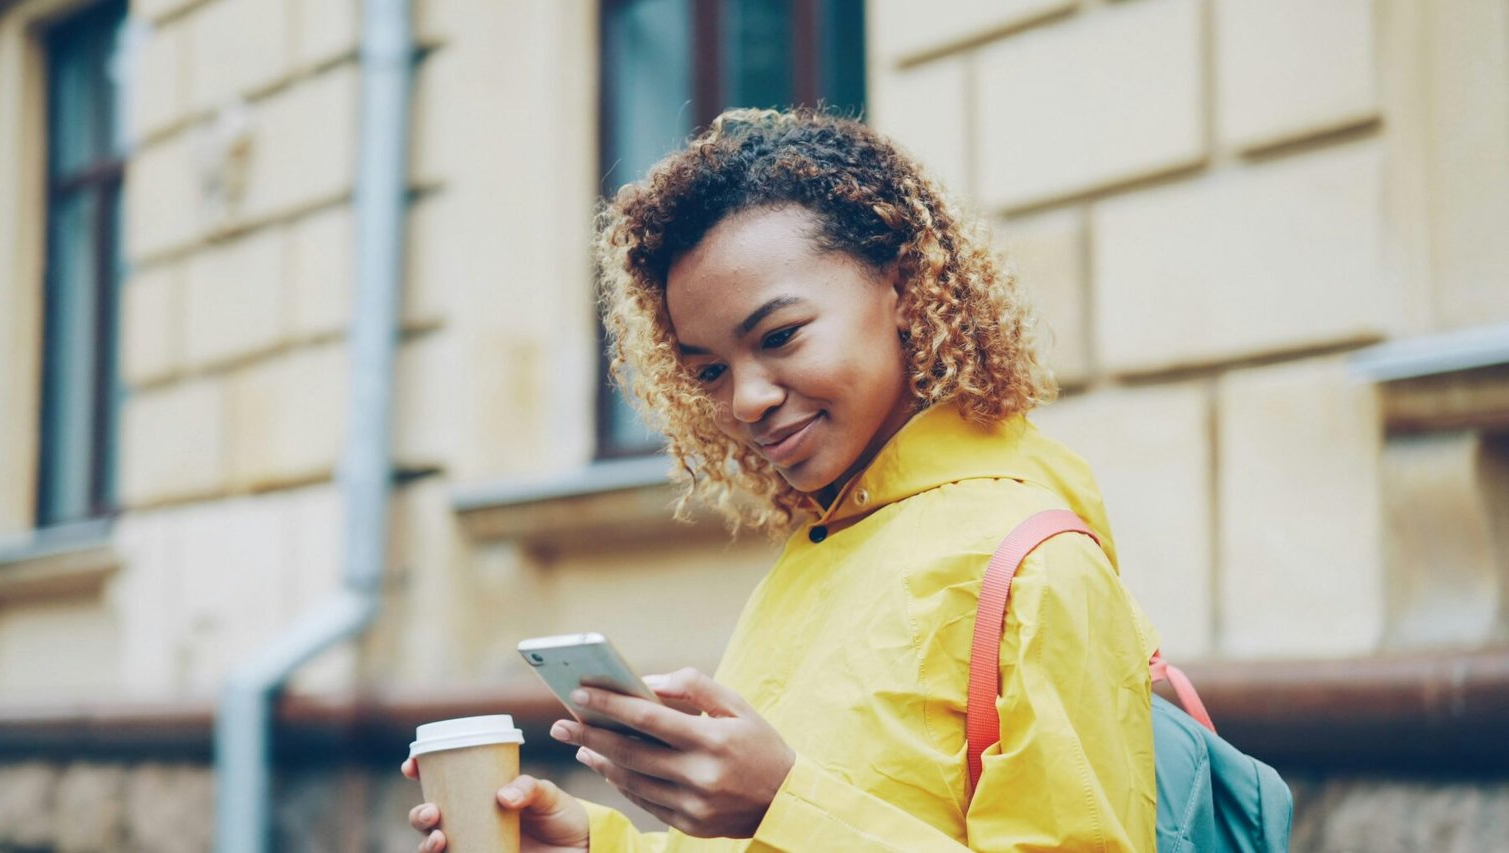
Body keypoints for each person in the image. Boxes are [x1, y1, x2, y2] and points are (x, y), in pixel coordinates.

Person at [403, 108, 1159, 852]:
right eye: (708, 371)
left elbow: (788, 817)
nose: (746, 400)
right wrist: (595, 845)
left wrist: (779, 802)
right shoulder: (823, 546)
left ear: (901, 283)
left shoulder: (1037, 565)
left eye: (779, 336)